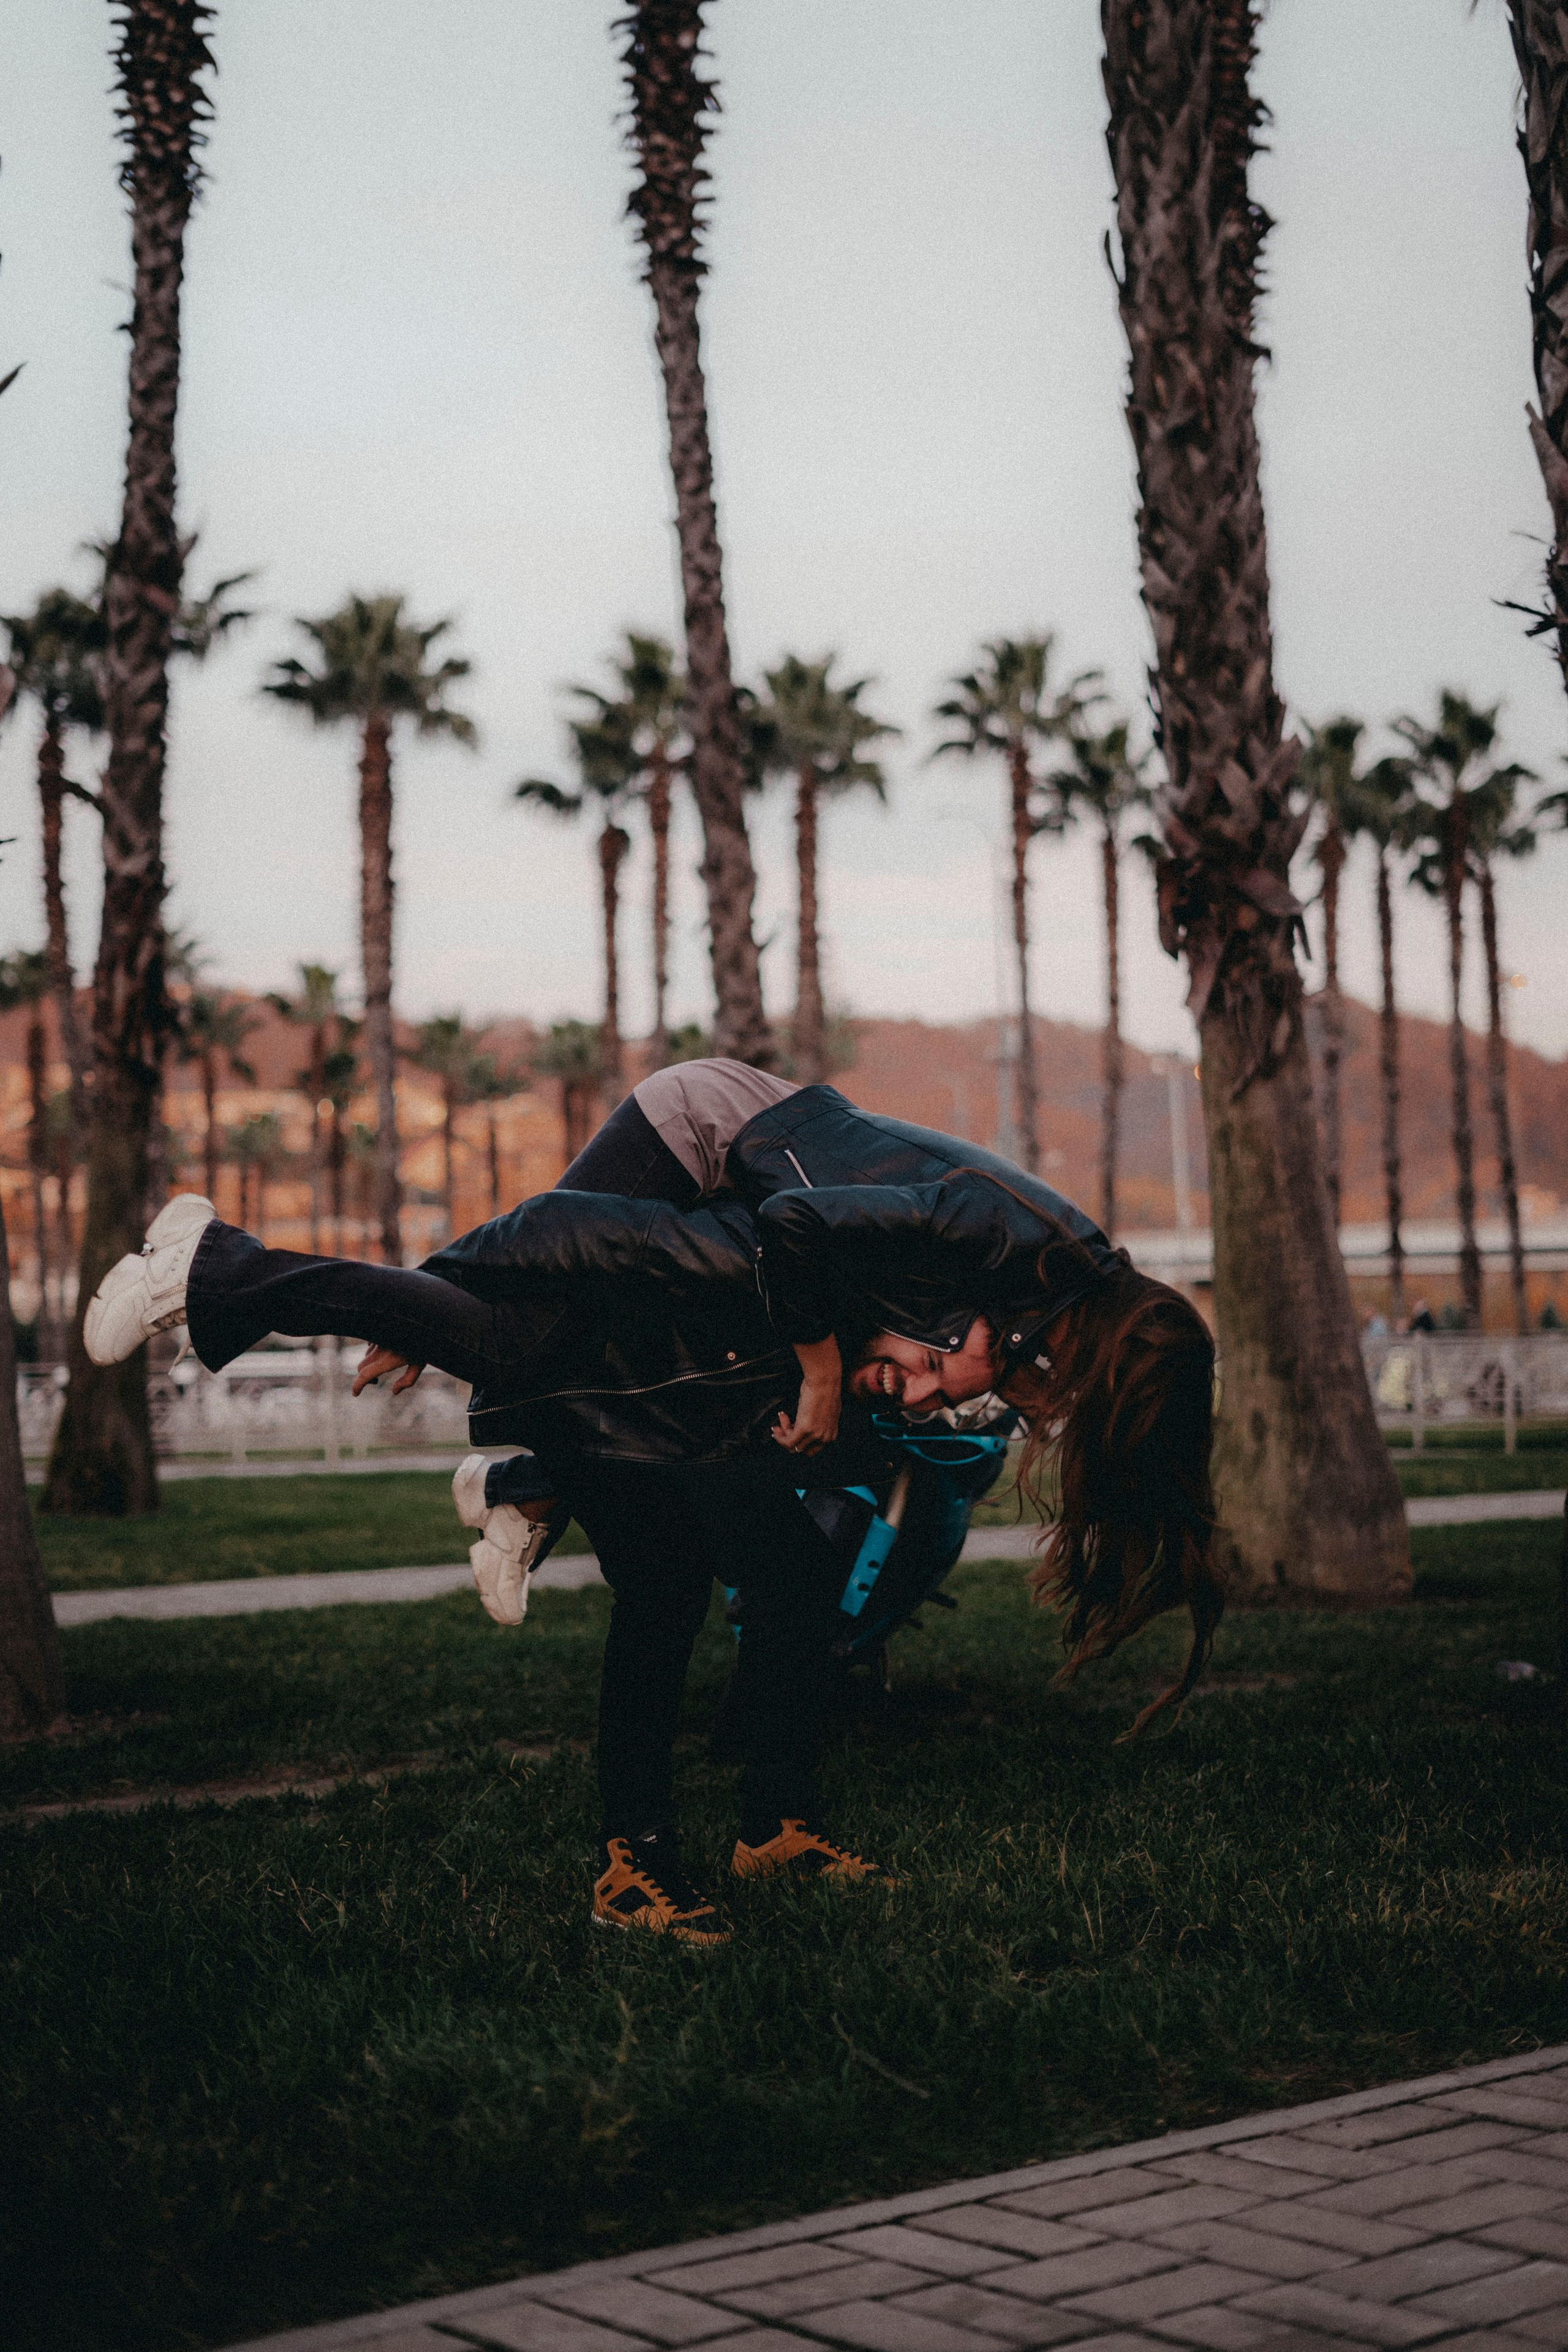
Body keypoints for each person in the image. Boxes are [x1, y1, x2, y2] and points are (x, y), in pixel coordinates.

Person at [86, 1074, 1221, 1942]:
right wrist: (444, 1299)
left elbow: (852, 1297)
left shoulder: (1047, 1288)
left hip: (741, 1272)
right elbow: (613, 1237)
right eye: (1060, 1394)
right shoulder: (1004, 1250)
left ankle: (761, 1815)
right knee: (532, 1344)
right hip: (706, 1135)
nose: (1051, 1410)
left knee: (778, 1569)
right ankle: (223, 1272)